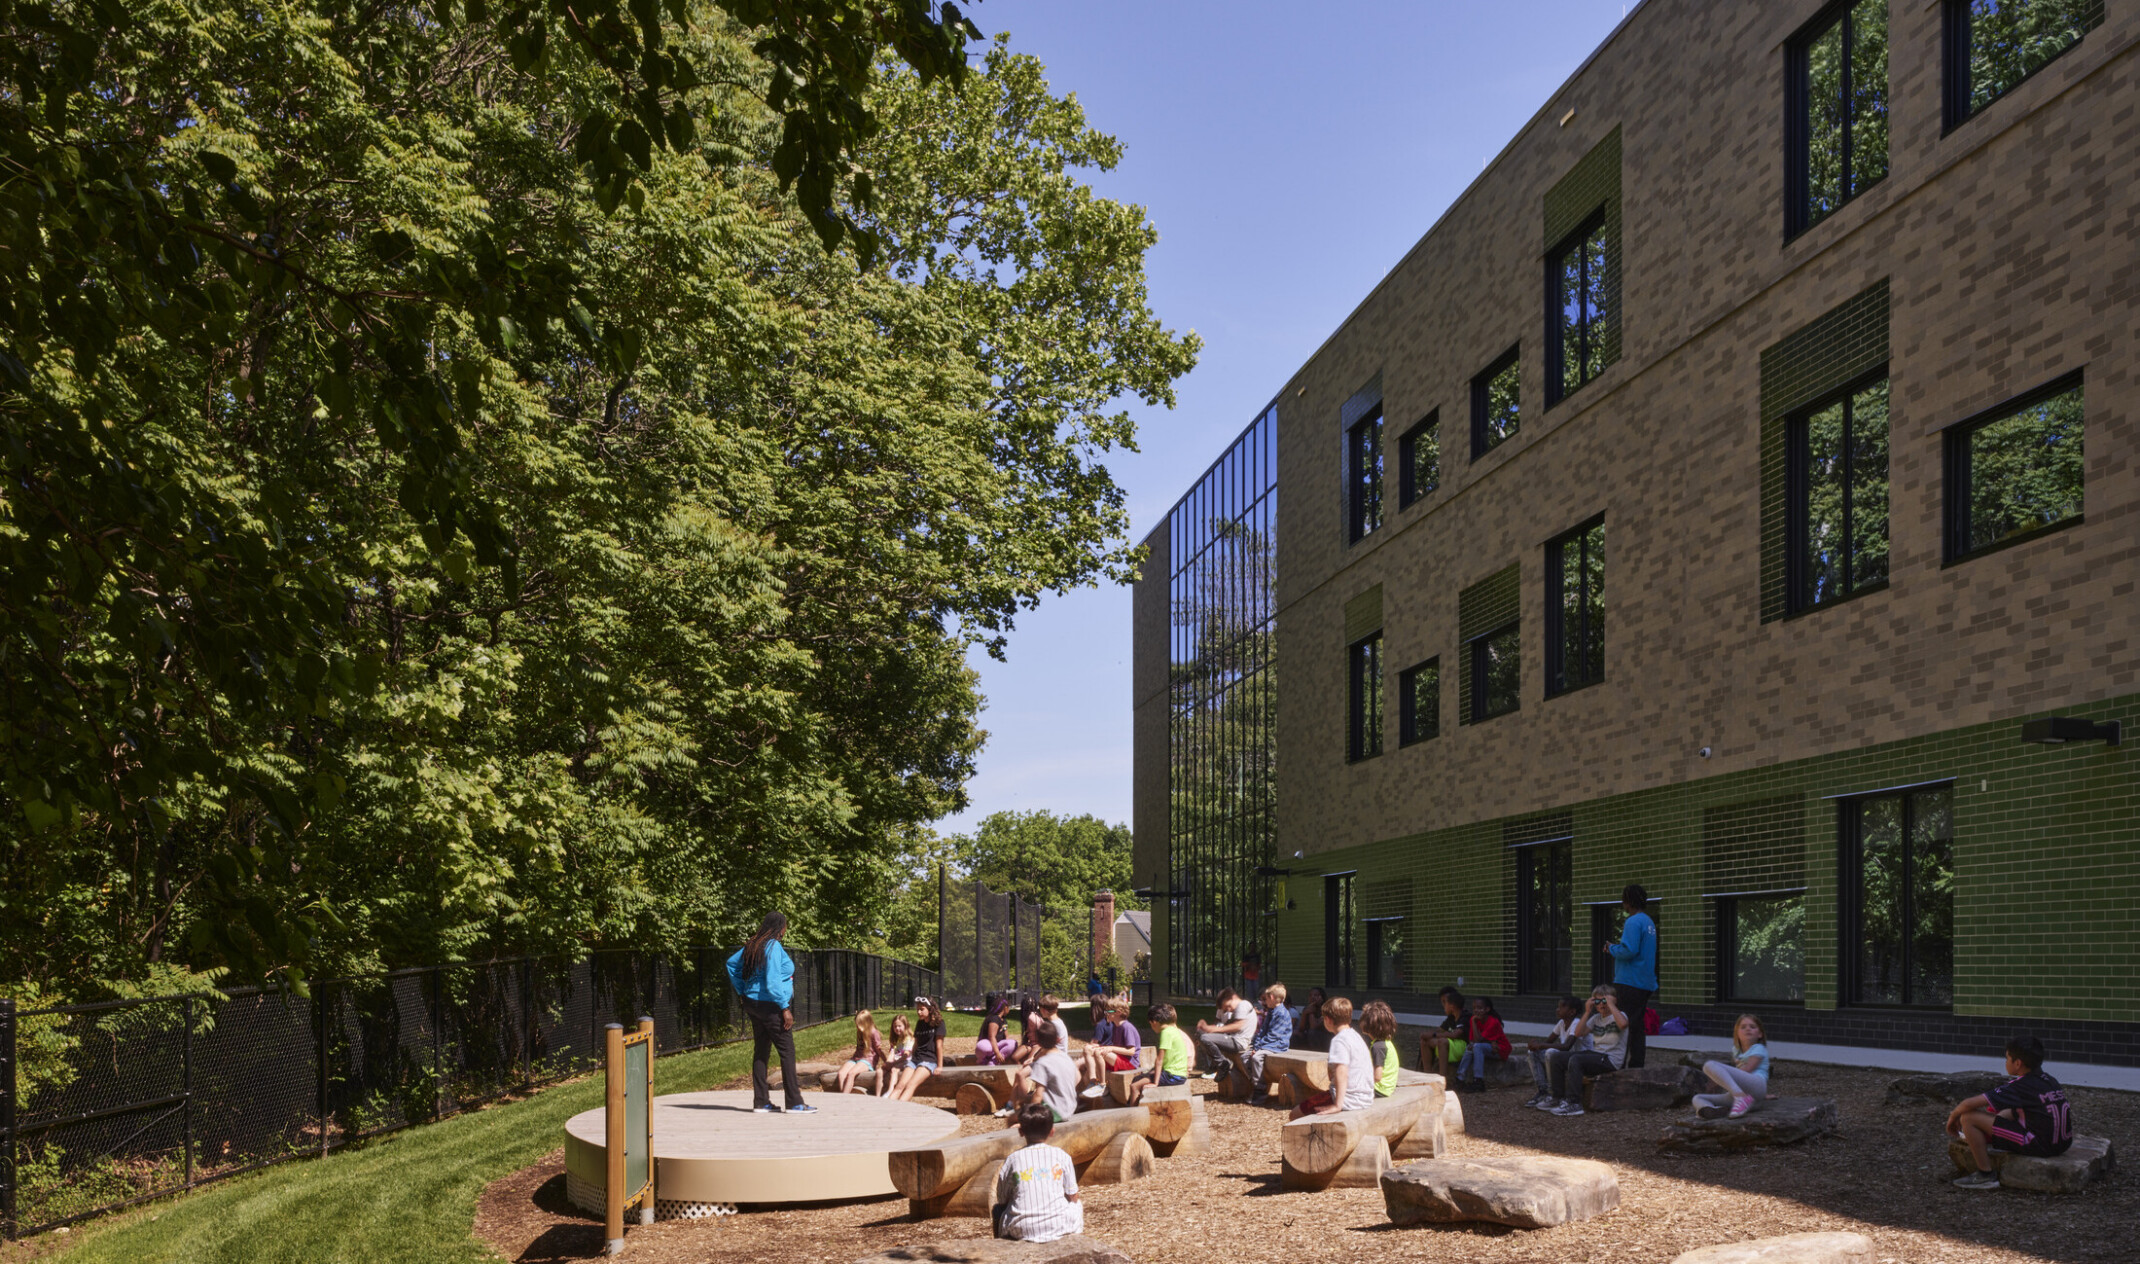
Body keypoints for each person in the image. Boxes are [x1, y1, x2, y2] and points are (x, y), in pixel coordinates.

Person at [1947, 1035, 2075, 1190]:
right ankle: (1982, 1138)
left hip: (2039, 1145)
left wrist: (1953, 1117)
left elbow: (1968, 1104)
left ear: (2018, 1063)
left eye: (2007, 1058)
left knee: (1968, 1118)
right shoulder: (2050, 1080)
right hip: (2063, 1143)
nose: (2005, 1062)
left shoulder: (2019, 1086)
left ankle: (1985, 1175)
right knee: (2003, 1111)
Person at [725, 912, 816, 1114]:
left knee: (761, 1051)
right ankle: (794, 1103)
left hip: (753, 1003)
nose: (785, 929)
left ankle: (761, 1102)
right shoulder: (773, 946)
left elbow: (731, 964)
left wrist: (742, 990)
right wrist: (784, 1007)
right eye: (785, 926)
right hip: (771, 1006)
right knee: (787, 1052)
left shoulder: (753, 944)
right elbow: (773, 980)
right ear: (780, 927)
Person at [990, 1103, 1083, 1243]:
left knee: (997, 1210)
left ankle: (1000, 1247)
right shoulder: (1062, 1156)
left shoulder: (1012, 1160)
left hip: (1020, 1228)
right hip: (1059, 1225)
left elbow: (1002, 1199)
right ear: (1052, 1131)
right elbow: (1073, 1196)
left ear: (1020, 1131)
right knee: (1077, 1204)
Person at [1546, 985, 1628, 1116]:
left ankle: (1574, 1103)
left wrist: (1611, 1005)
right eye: (1597, 1001)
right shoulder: (1595, 1019)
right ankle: (1558, 1097)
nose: (1601, 1005)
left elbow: (1623, 1024)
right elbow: (1578, 1033)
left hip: (1611, 1060)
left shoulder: (1620, 1015)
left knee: (1576, 1059)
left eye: (1604, 1001)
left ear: (1613, 1001)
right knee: (1557, 1057)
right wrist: (1587, 1011)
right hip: (1596, 1056)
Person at [1290, 996, 1373, 1118]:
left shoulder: (1339, 1040)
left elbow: (1341, 1071)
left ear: (1327, 1020)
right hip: (1365, 1098)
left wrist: (1338, 1105)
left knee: (1295, 1114)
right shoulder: (1356, 1036)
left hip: (1349, 1100)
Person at [1606, 883, 1658, 1069]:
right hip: (1645, 982)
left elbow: (1629, 951)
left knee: (1624, 1024)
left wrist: (1611, 948)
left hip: (1629, 981)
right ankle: (1636, 1065)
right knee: (1637, 1026)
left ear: (1627, 901)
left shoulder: (1633, 921)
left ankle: (1618, 1063)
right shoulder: (1648, 922)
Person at [1694, 1013, 1773, 1119]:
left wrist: (1719, 1080)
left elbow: (1747, 1070)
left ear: (1760, 1034)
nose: (1748, 1029)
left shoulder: (1758, 1048)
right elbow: (1737, 1076)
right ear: (1737, 1034)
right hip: (1750, 1099)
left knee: (1709, 1065)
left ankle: (1740, 1097)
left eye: (1752, 1027)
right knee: (1698, 1097)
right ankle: (1709, 1110)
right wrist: (1720, 1079)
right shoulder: (1737, 1052)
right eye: (1743, 1027)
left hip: (1757, 1086)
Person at [1006, 1021, 1081, 1122]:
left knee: (1012, 1119)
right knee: (1024, 1100)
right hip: (1069, 1109)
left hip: (1054, 1112)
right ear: (1058, 1040)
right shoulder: (1067, 1058)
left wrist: (1030, 1117)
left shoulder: (1043, 1063)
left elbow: (1038, 1095)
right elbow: (1078, 1077)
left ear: (1039, 1043)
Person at [1523, 995, 1587, 1110]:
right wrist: (1535, 1045)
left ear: (1572, 1012)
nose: (1557, 1009)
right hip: (1565, 1059)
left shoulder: (1577, 1023)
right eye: (1558, 1006)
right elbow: (1548, 1041)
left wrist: (1541, 1045)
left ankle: (1554, 1094)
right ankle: (1543, 1092)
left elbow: (1566, 1046)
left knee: (1551, 1053)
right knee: (1532, 1053)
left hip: (1578, 1059)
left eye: (1562, 1007)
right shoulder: (1561, 1023)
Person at [1124, 1003, 1191, 1105]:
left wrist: (1155, 1083)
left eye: (1150, 1024)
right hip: (1177, 1074)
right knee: (1138, 1078)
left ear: (1154, 1022)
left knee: (1135, 1086)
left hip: (1173, 1076)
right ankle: (1133, 1107)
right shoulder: (1173, 1030)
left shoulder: (1166, 1033)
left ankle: (1133, 1115)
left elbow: (1159, 1060)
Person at [1195, 987, 1256, 1093]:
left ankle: (1222, 1064)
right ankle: (1217, 1064)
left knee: (1205, 1038)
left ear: (1232, 997)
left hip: (1238, 1042)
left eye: (1228, 1006)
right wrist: (1208, 1029)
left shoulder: (1243, 1005)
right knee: (1203, 1036)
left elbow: (1238, 1026)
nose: (1229, 1010)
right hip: (1234, 1039)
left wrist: (1213, 1029)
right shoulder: (1241, 1006)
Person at [887, 996, 944, 1102]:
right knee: (900, 1085)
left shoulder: (939, 1024)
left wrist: (940, 1066)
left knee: (910, 1085)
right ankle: (888, 1109)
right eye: (917, 1009)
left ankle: (897, 1111)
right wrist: (911, 1057)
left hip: (929, 1061)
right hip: (915, 1060)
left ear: (930, 1009)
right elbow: (916, 1043)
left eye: (922, 1009)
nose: (919, 1012)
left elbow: (939, 1045)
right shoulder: (920, 1023)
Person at [1079, 998, 1142, 1092]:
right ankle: (1092, 1081)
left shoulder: (1126, 1027)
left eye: (1108, 1011)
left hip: (1129, 1063)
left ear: (1118, 1012)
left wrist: (1110, 1048)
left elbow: (1131, 1051)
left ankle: (1102, 1084)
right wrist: (1101, 1046)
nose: (1106, 1013)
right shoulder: (1115, 1026)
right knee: (1088, 1048)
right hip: (1118, 1058)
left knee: (1098, 1052)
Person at [1245, 983, 1294, 1104]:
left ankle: (1260, 1089)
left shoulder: (1281, 1013)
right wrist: (1256, 1045)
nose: (1264, 1002)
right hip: (1267, 1043)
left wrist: (1258, 1048)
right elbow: (1262, 1031)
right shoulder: (1271, 1011)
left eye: (1265, 999)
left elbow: (1274, 1035)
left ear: (1271, 997)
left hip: (1277, 1044)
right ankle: (1257, 1081)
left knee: (1256, 1057)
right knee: (1244, 1056)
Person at [1453, 995, 1511, 1093]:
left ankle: (1478, 1081)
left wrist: (1474, 1022)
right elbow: (1472, 1040)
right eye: (1474, 1008)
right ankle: (1460, 1078)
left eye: (1479, 1008)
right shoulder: (1473, 1019)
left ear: (1487, 1009)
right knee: (1470, 1047)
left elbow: (1478, 1040)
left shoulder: (1492, 1022)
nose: (1476, 1011)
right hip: (1487, 1047)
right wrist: (1474, 1022)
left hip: (1500, 1049)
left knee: (1476, 1046)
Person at [1419, 987, 1467, 1077]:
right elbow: (1440, 1030)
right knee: (1425, 1041)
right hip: (1451, 1045)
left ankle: (1442, 1078)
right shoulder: (1451, 1018)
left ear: (1452, 1005)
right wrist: (1428, 1035)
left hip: (1461, 1046)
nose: (1443, 1005)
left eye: (1445, 1002)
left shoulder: (1464, 1017)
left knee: (1442, 1041)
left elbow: (1455, 1035)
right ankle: (1427, 1075)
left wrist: (1434, 1034)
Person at [837, 1009, 888, 1094]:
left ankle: (844, 1098)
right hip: (856, 1058)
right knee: (841, 1073)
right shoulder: (860, 1031)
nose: (858, 1027)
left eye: (860, 1024)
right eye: (857, 1025)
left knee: (851, 1074)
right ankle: (844, 1094)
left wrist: (887, 1062)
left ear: (867, 1022)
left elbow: (879, 1050)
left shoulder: (874, 1033)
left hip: (868, 1060)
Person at [1361, 1000, 1401, 1098]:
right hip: (1387, 1088)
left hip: (1379, 1089)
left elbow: (1377, 1077)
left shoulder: (1377, 1047)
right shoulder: (1386, 1043)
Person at [876, 1014, 915, 1097]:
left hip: (906, 1061)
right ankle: (877, 1095)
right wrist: (887, 1063)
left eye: (899, 1026)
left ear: (905, 1025)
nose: (897, 1028)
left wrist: (892, 1064)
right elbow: (892, 1053)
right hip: (896, 1060)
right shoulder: (896, 1039)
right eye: (895, 1026)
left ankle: (890, 1091)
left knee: (894, 1069)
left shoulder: (909, 1038)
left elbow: (906, 1055)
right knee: (880, 1071)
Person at [974, 995, 1018, 1066]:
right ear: (1005, 1008)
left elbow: (1006, 1037)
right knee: (984, 1047)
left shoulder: (1004, 1021)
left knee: (1013, 1043)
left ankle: (993, 1061)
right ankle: (982, 1061)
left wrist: (1008, 1050)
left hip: (997, 1046)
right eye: (1008, 1007)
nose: (1009, 1009)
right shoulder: (994, 1019)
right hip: (990, 1046)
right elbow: (991, 1036)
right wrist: (997, 1052)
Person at [1290, 987, 1332, 1053]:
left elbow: (1313, 1026)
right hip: (1310, 1035)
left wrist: (1311, 1012)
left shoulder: (1326, 1009)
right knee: (1294, 1035)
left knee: (1312, 1033)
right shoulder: (1307, 1009)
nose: (1312, 997)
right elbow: (1301, 1028)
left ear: (1322, 997)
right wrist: (1304, 1014)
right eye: (1310, 995)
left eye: (1316, 995)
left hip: (1325, 1037)